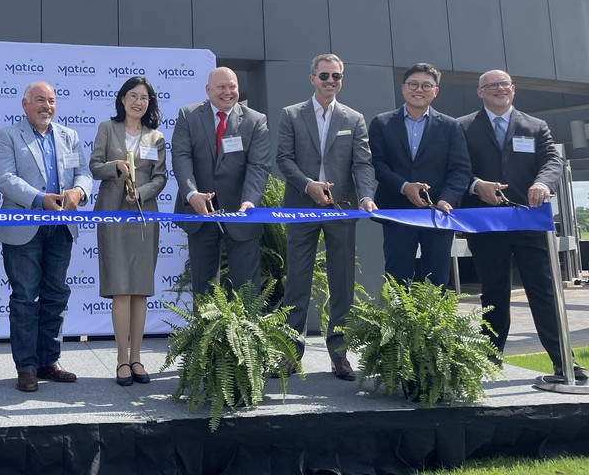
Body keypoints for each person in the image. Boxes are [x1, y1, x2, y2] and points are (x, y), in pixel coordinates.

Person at [459, 69, 587, 380]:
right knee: (493, 293)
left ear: (513, 89)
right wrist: (476, 185)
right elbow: (456, 167)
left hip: (528, 219)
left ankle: (563, 361)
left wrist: (543, 183)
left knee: (543, 290)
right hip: (486, 222)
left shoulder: (535, 126)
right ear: (480, 92)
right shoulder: (462, 126)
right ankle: (489, 361)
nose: (499, 89)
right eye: (491, 85)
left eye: (504, 84)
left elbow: (552, 161)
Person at [275, 54, 376, 381]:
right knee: (297, 283)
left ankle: (340, 353)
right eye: (324, 76)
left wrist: (366, 196)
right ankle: (290, 354)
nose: (330, 81)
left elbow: (362, 163)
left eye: (336, 76)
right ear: (312, 78)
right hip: (301, 207)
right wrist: (308, 185)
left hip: (341, 209)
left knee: (342, 284)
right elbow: (284, 159)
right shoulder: (291, 114)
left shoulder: (354, 118)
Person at [0, 82, 92, 393]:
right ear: (25, 104)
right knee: (25, 298)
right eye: (39, 100)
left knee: (56, 295)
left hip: (61, 227)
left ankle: (49, 360)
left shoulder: (69, 136)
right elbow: (4, 178)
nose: (46, 105)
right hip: (24, 227)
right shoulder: (8, 135)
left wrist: (79, 191)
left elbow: (84, 172)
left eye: (51, 100)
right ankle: (26, 367)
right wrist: (39, 199)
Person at [89, 77, 167, 386]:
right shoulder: (107, 129)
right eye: (133, 96)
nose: (138, 102)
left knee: (140, 290)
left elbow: (160, 178)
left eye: (144, 98)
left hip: (144, 216)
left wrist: (142, 193)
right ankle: (122, 359)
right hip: (113, 215)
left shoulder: (156, 137)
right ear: (122, 99)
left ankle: (137, 358)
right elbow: (95, 166)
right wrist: (116, 166)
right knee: (120, 289)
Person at [171, 67, 271, 298]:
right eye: (221, 87)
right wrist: (192, 194)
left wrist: (250, 200)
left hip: (241, 213)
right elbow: (181, 157)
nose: (228, 92)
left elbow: (259, 165)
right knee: (203, 291)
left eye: (232, 86)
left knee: (247, 291)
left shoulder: (256, 120)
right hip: (201, 211)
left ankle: (246, 324)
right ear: (208, 90)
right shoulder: (188, 115)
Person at [369, 63, 471, 287]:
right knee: (397, 279)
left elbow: (460, 169)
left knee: (437, 279)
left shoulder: (450, 126)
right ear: (403, 88)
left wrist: (447, 199)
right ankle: (399, 313)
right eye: (413, 84)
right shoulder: (382, 123)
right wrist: (404, 186)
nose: (419, 90)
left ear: (436, 91)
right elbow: (377, 163)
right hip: (397, 212)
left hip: (438, 213)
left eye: (426, 85)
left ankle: (435, 314)